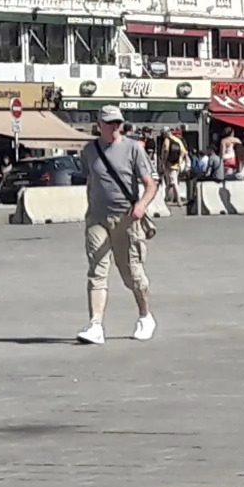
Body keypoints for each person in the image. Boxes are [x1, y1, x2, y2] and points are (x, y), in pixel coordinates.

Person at [76, 106, 159, 345]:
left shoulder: (133, 148)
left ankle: (145, 316)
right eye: (110, 123)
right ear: (99, 124)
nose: (114, 127)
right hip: (97, 218)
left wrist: (142, 204)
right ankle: (95, 325)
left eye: (117, 123)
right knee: (97, 271)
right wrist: (90, 208)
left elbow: (150, 184)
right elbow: (91, 180)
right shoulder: (90, 151)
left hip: (126, 218)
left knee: (131, 273)